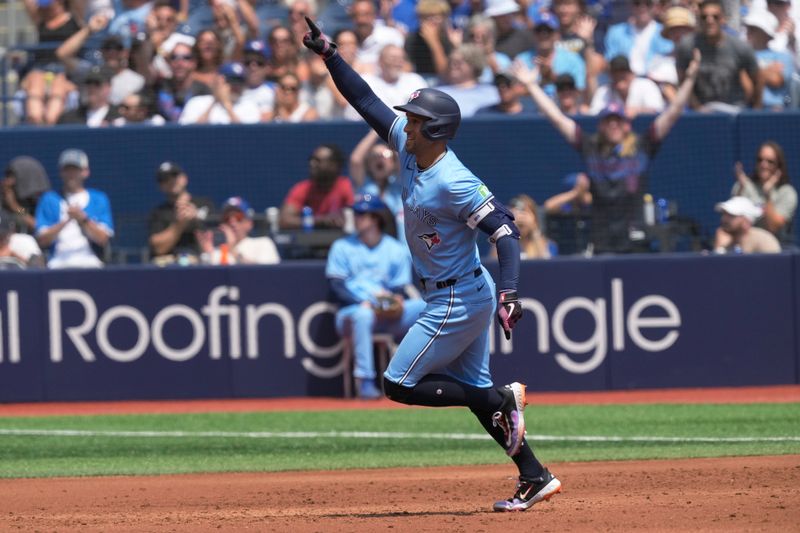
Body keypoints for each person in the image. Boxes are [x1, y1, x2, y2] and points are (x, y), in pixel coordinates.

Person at [303, 16, 562, 511]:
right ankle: (534, 474)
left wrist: (511, 294)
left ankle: (502, 400)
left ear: (436, 129)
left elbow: (506, 232)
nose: (407, 120)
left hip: (458, 294)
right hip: (450, 289)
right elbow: (366, 102)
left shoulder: (454, 179)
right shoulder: (409, 144)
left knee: (399, 384)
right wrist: (331, 55)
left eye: (417, 118)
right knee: (475, 389)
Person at [513, 48, 701, 254]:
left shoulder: (642, 146)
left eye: (618, 121)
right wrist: (531, 85)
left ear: (627, 125)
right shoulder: (591, 147)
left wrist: (690, 79)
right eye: (608, 122)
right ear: (600, 126)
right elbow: (557, 118)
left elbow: (672, 113)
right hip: (602, 241)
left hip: (636, 240)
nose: (613, 126)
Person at [326, 195, 427, 399]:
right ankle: (365, 382)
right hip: (353, 312)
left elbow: (399, 288)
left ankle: (421, 374)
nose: (355, 217)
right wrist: (361, 302)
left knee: (424, 307)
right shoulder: (342, 247)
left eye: (361, 214)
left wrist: (395, 299)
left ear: (375, 218)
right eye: (356, 213)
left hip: (385, 313)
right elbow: (336, 286)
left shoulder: (395, 249)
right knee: (363, 316)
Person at [35, 149, 114, 268]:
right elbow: (42, 240)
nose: (71, 174)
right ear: (61, 172)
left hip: (92, 264)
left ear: (85, 172)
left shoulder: (99, 199)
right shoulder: (49, 199)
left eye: (75, 170)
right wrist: (66, 221)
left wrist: (82, 219)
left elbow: (102, 239)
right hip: (56, 264)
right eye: (67, 170)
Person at [676, 0, 761, 111]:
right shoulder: (687, 47)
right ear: (698, 20)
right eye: (704, 17)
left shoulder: (740, 47)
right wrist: (698, 108)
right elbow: (683, 81)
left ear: (723, 19)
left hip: (734, 109)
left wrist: (755, 109)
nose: (709, 21)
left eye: (715, 17)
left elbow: (758, 79)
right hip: (702, 111)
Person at [727, 141, 797, 248]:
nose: (764, 165)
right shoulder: (744, 185)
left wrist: (767, 194)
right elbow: (730, 222)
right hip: (745, 244)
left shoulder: (787, 192)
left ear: (779, 166)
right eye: (760, 160)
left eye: (770, 161)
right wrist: (740, 191)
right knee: (722, 235)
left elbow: (773, 227)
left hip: (778, 247)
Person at [148, 161, 216, 264]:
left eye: (174, 176)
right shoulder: (158, 213)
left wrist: (196, 216)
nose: (171, 181)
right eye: (165, 179)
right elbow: (158, 247)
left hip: (201, 262)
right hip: (170, 266)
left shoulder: (204, 204)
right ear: (160, 186)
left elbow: (218, 236)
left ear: (184, 178)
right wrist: (179, 225)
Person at [344, 44, 429, 122]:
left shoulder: (415, 81)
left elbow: (426, 112)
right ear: (380, 61)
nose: (397, 62)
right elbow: (351, 115)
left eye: (401, 58)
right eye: (393, 58)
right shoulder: (366, 81)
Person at [279, 144, 354, 230]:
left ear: (334, 165)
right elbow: (284, 220)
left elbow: (360, 216)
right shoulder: (303, 188)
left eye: (318, 161)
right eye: (311, 160)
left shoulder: (347, 186)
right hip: (310, 242)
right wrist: (320, 221)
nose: (312, 164)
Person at [349, 130, 405, 241]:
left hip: (400, 253)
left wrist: (391, 135)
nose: (379, 159)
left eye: (385, 155)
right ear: (368, 164)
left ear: (394, 162)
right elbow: (355, 160)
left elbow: (405, 161)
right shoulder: (363, 186)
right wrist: (377, 130)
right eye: (374, 156)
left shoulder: (401, 186)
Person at [197, 196, 281, 265]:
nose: (232, 223)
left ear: (249, 223)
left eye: (238, 217)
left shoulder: (263, 243)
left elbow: (266, 274)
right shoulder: (216, 251)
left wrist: (233, 250)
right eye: (227, 218)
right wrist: (207, 253)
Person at [743, 9, 795, 110]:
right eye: (748, 28)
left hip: (775, 109)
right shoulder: (742, 55)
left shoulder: (784, 56)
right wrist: (767, 71)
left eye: (753, 29)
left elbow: (776, 80)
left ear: (765, 33)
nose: (748, 31)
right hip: (747, 109)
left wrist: (751, 72)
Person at [179, 62, 260, 124]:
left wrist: (227, 106)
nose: (235, 86)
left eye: (240, 82)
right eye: (230, 81)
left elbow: (247, 136)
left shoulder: (250, 106)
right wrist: (215, 101)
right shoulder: (197, 102)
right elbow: (189, 135)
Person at [589, 55, 665, 118]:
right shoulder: (603, 91)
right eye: (615, 73)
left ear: (632, 74)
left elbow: (658, 111)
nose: (619, 76)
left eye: (623, 72)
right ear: (610, 76)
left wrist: (638, 110)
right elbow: (593, 114)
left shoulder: (646, 85)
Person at [713, 196, 781, 254]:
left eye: (732, 215)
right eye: (724, 214)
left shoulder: (764, 240)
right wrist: (720, 249)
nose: (724, 219)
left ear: (746, 221)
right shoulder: (725, 241)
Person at [2, 156, 51, 234]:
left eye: (12, 176)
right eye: (7, 176)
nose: (8, 181)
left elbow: (37, 226)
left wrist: (14, 206)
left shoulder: (41, 201)